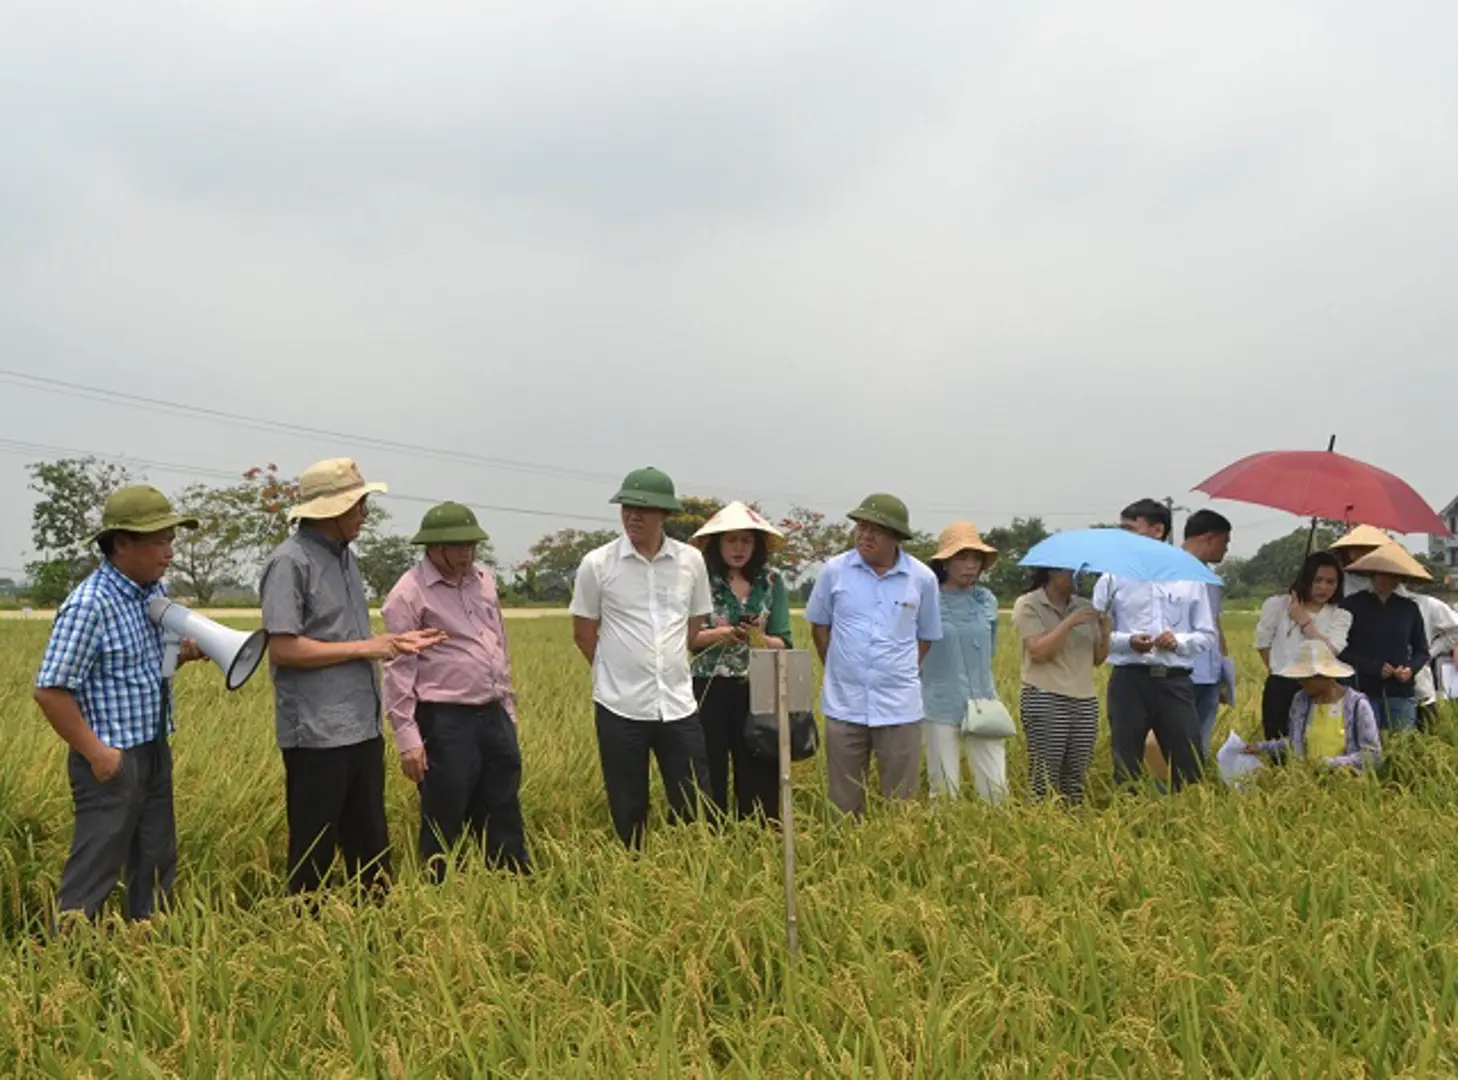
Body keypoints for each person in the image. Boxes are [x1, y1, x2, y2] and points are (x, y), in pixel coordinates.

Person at [260, 458, 445, 895]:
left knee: (370, 842)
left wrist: (393, 641)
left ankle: (376, 935)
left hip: (360, 725)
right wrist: (371, 647)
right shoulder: (289, 563)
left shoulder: (346, 559)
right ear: (329, 511)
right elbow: (283, 648)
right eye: (357, 506)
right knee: (315, 849)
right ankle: (306, 934)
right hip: (316, 733)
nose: (364, 514)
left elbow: (343, 637)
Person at [33, 487, 205, 922]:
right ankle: (70, 964)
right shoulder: (90, 605)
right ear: (121, 543)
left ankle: (150, 952)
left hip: (152, 747)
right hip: (110, 758)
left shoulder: (151, 594)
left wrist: (183, 655)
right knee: (97, 866)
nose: (169, 553)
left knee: (156, 859)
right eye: (159, 541)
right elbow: (51, 690)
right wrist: (98, 755)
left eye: (171, 541)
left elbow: (144, 669)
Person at [382, 502, 528, 879]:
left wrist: (507, 710)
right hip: (444, 720)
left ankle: (512, 885)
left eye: (471, 544)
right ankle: (440, 892)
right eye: (457, 545)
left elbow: (498, 644)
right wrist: (407, 738)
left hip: (492, 711)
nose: (467, 553)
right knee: (445, 811)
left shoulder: (483, 580)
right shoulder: (408, 594)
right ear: (433, 547)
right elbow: (398, 669)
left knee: (503, 806)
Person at [570, 467, 714, 848]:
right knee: (628, 803)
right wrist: (615, 672)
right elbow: (584, 633)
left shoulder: (690, 562)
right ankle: (634, 871)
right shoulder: (597, 564)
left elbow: (694, 623)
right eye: (627, 507)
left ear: (665, 514)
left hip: (678, 704)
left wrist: (666, 661)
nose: (632, 515)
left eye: (643, 509)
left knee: (694, 800)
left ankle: (693, 867)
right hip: (620, 706)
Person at [806, 493, 941, 817]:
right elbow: (819, 626)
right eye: (861, 527)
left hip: (899, 707)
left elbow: (927, 636)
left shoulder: (922, 578)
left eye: (875, 530)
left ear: (896, 537)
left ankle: (898, 861)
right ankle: (845, 861)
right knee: (843, 802)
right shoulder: (834, 571)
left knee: (900, 804)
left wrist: (900, 670)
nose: (864, 535)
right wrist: (837, 669)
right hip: (844, 706)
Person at [1091, 498, 1216, 791]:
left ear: (1158, 530)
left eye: (1130, 528)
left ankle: (1186, 822)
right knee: (1126, 763)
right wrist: (1128, 641)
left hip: (1175, 682)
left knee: (1188, 765)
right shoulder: (1111, 578)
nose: (1122, 535)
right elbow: (1096, 633)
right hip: (1129, 680)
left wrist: (1179, 642)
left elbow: (1207, 634)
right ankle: (1128, 822)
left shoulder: (1188, 575)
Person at [686, 502, 794, 823]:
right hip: (709, 685)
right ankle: (710, 837)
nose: (739, 548)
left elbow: (784, 642)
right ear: (717, 544)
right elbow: (687, 639)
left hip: (758, 686)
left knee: (758, 764)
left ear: (756, 545)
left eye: (746, 540)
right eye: (731, 540)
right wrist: (722, 634)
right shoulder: (700, 581)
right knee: (709, 764)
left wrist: (756, 638)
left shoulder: (771, 581)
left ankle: (758, 835)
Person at [918, 522, 1005, 802]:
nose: (970, 565)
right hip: (939, 702)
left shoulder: (986, 600)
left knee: (996, 790)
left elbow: (989, 650)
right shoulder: (927, 600)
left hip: (983, 702)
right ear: (945, 562)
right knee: (944, 790)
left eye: (976, 558)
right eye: (962, 557)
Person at [1012, 568, 1109, 804]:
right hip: (1046, 697)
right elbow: (1038, 652)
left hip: (1084, 700)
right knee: (1044, 778)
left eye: (1082, 572)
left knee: (1075, 778)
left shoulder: (1086, 606)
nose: (1080, 577)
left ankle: (1071, 827)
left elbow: (1098, 658)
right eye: (1073, 571)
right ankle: (1037, 826)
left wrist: (1106, 630)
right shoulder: (1029, 604)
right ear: (1053, 572)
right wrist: (1069, 623)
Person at [1254, 552, 1352, 739]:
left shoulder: (1341, 615)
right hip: (1281, 685)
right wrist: (1279, 670)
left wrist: (1304, 621)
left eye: (1331, 582)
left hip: (1320, 686)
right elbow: (1262, 644)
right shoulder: (1279, 605)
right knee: (1278, 745)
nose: (1323, 587)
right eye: (1318, 580)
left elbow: (1330, 651)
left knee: (1316, 744)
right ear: (1306, 579)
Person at [1243, 641, 1381, 771]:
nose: (1301, 682)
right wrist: (1261, 747)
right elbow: (1294, 741)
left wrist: (1328, 764)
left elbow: (1372, 755)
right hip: (1307, 783)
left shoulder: (1357, 705)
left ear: (1325, 676)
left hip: (1345, 786)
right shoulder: (1300, 701)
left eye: (1306, 677)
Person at [1339, 544, 1430, 732]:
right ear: (1372, 574)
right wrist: (1373, 668)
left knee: (1400, 748)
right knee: (1367, 747)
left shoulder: (1408, 608)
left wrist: (1410, 669)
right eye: (1381, 574)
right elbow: (1341, 649)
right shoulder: (1352, 605)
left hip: (1400, 691)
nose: (1386, 580)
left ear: (1399, 579)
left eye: (1392, 575)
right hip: (1363, 690)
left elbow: (1422, 650)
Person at [1181, 510, 1233, 756]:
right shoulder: (1168, 571)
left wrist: (1224, 671)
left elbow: (1215, 625)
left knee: (1200, 746)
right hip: (1180, 673)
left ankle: (1192, 790)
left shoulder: (1211, 580)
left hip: (1209, 676)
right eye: (1225, 542)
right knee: (1173, 744)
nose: (1226, 550)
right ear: (1210, 538)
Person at [1328, 525, 1388, 597]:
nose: (1363, 553)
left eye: (1368, 548)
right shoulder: (1337, 577)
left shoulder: (1387, 579)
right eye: (1358, 548)